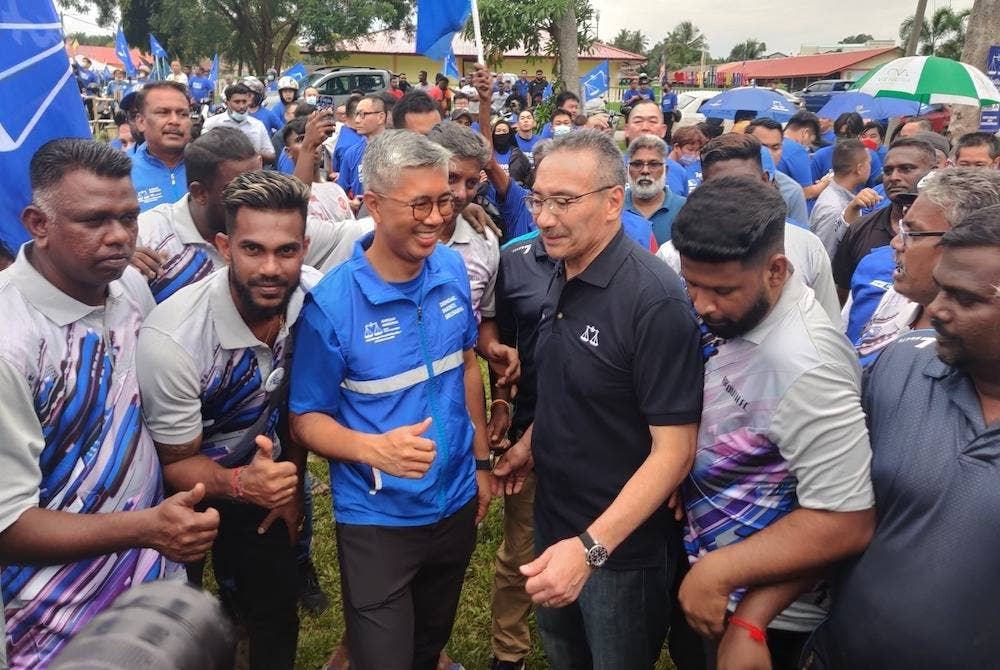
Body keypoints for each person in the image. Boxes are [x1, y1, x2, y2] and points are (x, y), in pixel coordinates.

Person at [0, 138, 219, 669]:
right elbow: (7, 527)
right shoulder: (11, 343)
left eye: (129, 217)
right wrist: (148, 527)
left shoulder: (129, 292)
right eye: (94, 220)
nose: (119, 237)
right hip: (46, 625)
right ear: (37, 222)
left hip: (145, 601)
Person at [492, 130, 704, 669]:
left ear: (614, 200)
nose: (542, 218)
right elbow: (576, 388)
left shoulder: (653, 302)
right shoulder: (562, 270)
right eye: (537, 199)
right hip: (553, 519)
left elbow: (674, 451)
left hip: (620, 552)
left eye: (563, 202)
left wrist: (591, 548)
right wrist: (530, 446)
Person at [288, 130, 491, 670]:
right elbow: (305, 417)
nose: (435, 218)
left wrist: (482, 462)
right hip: (378, 518)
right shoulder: (332, 306)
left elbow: (467, 365)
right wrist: (372, 450)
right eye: (419, 204)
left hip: (455, 502)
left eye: (443, 201)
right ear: (372, 204)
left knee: (427, 646)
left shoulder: (449, 270)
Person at [670, 176, 875, 670]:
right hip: (711, 577)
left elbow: (846, 520)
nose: (701, 304)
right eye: (691, 283)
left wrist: (720, 573)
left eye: (720, 290)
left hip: (769, 619)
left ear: (776, 271)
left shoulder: (809, 367)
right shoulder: (743, 314)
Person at [804, 205, 1000, 668]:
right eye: (939, 288)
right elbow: (835, 510)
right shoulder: (901, 364)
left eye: (964, 298)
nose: (935, 309)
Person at [137, 170, 314, 670]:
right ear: (224, 246)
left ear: (305, 245)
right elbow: (175, 463)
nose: (271, 268)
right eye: (252, 249)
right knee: (181, 619)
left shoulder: (312, 301)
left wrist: (289, 483)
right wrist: (241, 484)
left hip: (266, 470)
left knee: (276, 609)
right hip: (184, 487)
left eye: (286, 251)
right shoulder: (173, 340)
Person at [657, 133, 842, 329]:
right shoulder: (672, 254)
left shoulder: (807, 246)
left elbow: (829, 324)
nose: (735, 196)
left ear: (764, 181)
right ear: (704, 187)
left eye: (745, 184)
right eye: (721, 186)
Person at [855, 168, 1000, 365]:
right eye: (902, 228)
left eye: (912, 233)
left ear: (965, 243)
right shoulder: (898, 296)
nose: (895, 243)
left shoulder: (978, 353)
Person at [832, 137, 937, 301]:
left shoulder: (946, 232)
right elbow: (844, 293)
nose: (893, 177)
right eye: (888, 171)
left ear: (933, 172)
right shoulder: (860, 229)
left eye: (906, 169)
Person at [131, 81, 192, 212]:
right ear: (141, 122)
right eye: (163, 112)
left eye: (183, 114)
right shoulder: (121, 174)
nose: (175, 121)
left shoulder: (211, 166)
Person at [809, 139, 873, 258]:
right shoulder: (834, 208)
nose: (870, 167)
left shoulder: (842, 198)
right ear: (859, 168)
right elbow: (826, 257)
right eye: (869, 163)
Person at [746, 118, 810, 227]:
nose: (769, 153)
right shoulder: (727, 180)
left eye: (775, 147)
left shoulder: (793, 191)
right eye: (762, 147)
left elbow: (802, 236)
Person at [624, 133, 687, 244]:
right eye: (637, 164)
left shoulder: (686, 209)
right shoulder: (613, 208)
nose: (645, 171)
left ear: (666, 171)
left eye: (654, 164)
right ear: (627, 170)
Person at [202, 83, 275, 162]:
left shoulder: (258, 125)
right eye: (237, 102)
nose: (241, 106)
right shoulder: (212, 123)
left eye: (244, 102)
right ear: (227, 103)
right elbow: (203, 152)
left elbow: (271, 155)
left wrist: (251, 151)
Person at [337, 94, 388, 201]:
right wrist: (351, 204)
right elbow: (340, 193)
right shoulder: (351, 153)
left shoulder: (398, 149)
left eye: (362, 115)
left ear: (381, 117)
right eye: (356, 115)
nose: (357, 120)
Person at [491, 119, 531, 185]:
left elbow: (528, 177)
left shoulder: (518, 155)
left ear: (510, 135)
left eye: (504, 131)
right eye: (498, 131)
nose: (501, 133)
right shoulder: (488, 154)